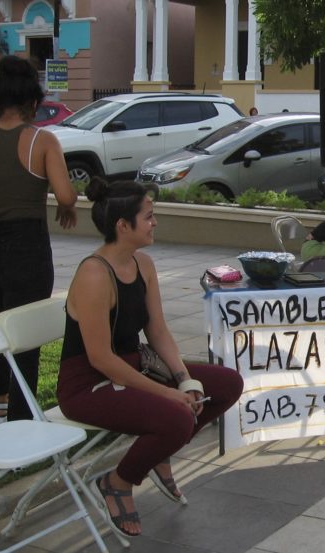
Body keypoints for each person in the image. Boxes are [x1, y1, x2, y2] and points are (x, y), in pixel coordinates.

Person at [57, 178, 243, 538]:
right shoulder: (94, 274)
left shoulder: (143, 264)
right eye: (148, 216)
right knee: (177, 416)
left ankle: (158, 453)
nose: (155, 222)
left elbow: (157, 331)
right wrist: (168, 393)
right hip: (88, 384)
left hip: (132, 367)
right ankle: (118, 482)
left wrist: (184, 379)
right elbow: (101, 358)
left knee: (226, 384)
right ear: (123, 226)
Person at [0, 55, 77, 425]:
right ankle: (22, 420)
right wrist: (67, 206)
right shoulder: (42, 141)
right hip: (26, 245)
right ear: (33, 102)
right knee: (25, 332)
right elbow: (65, 194)